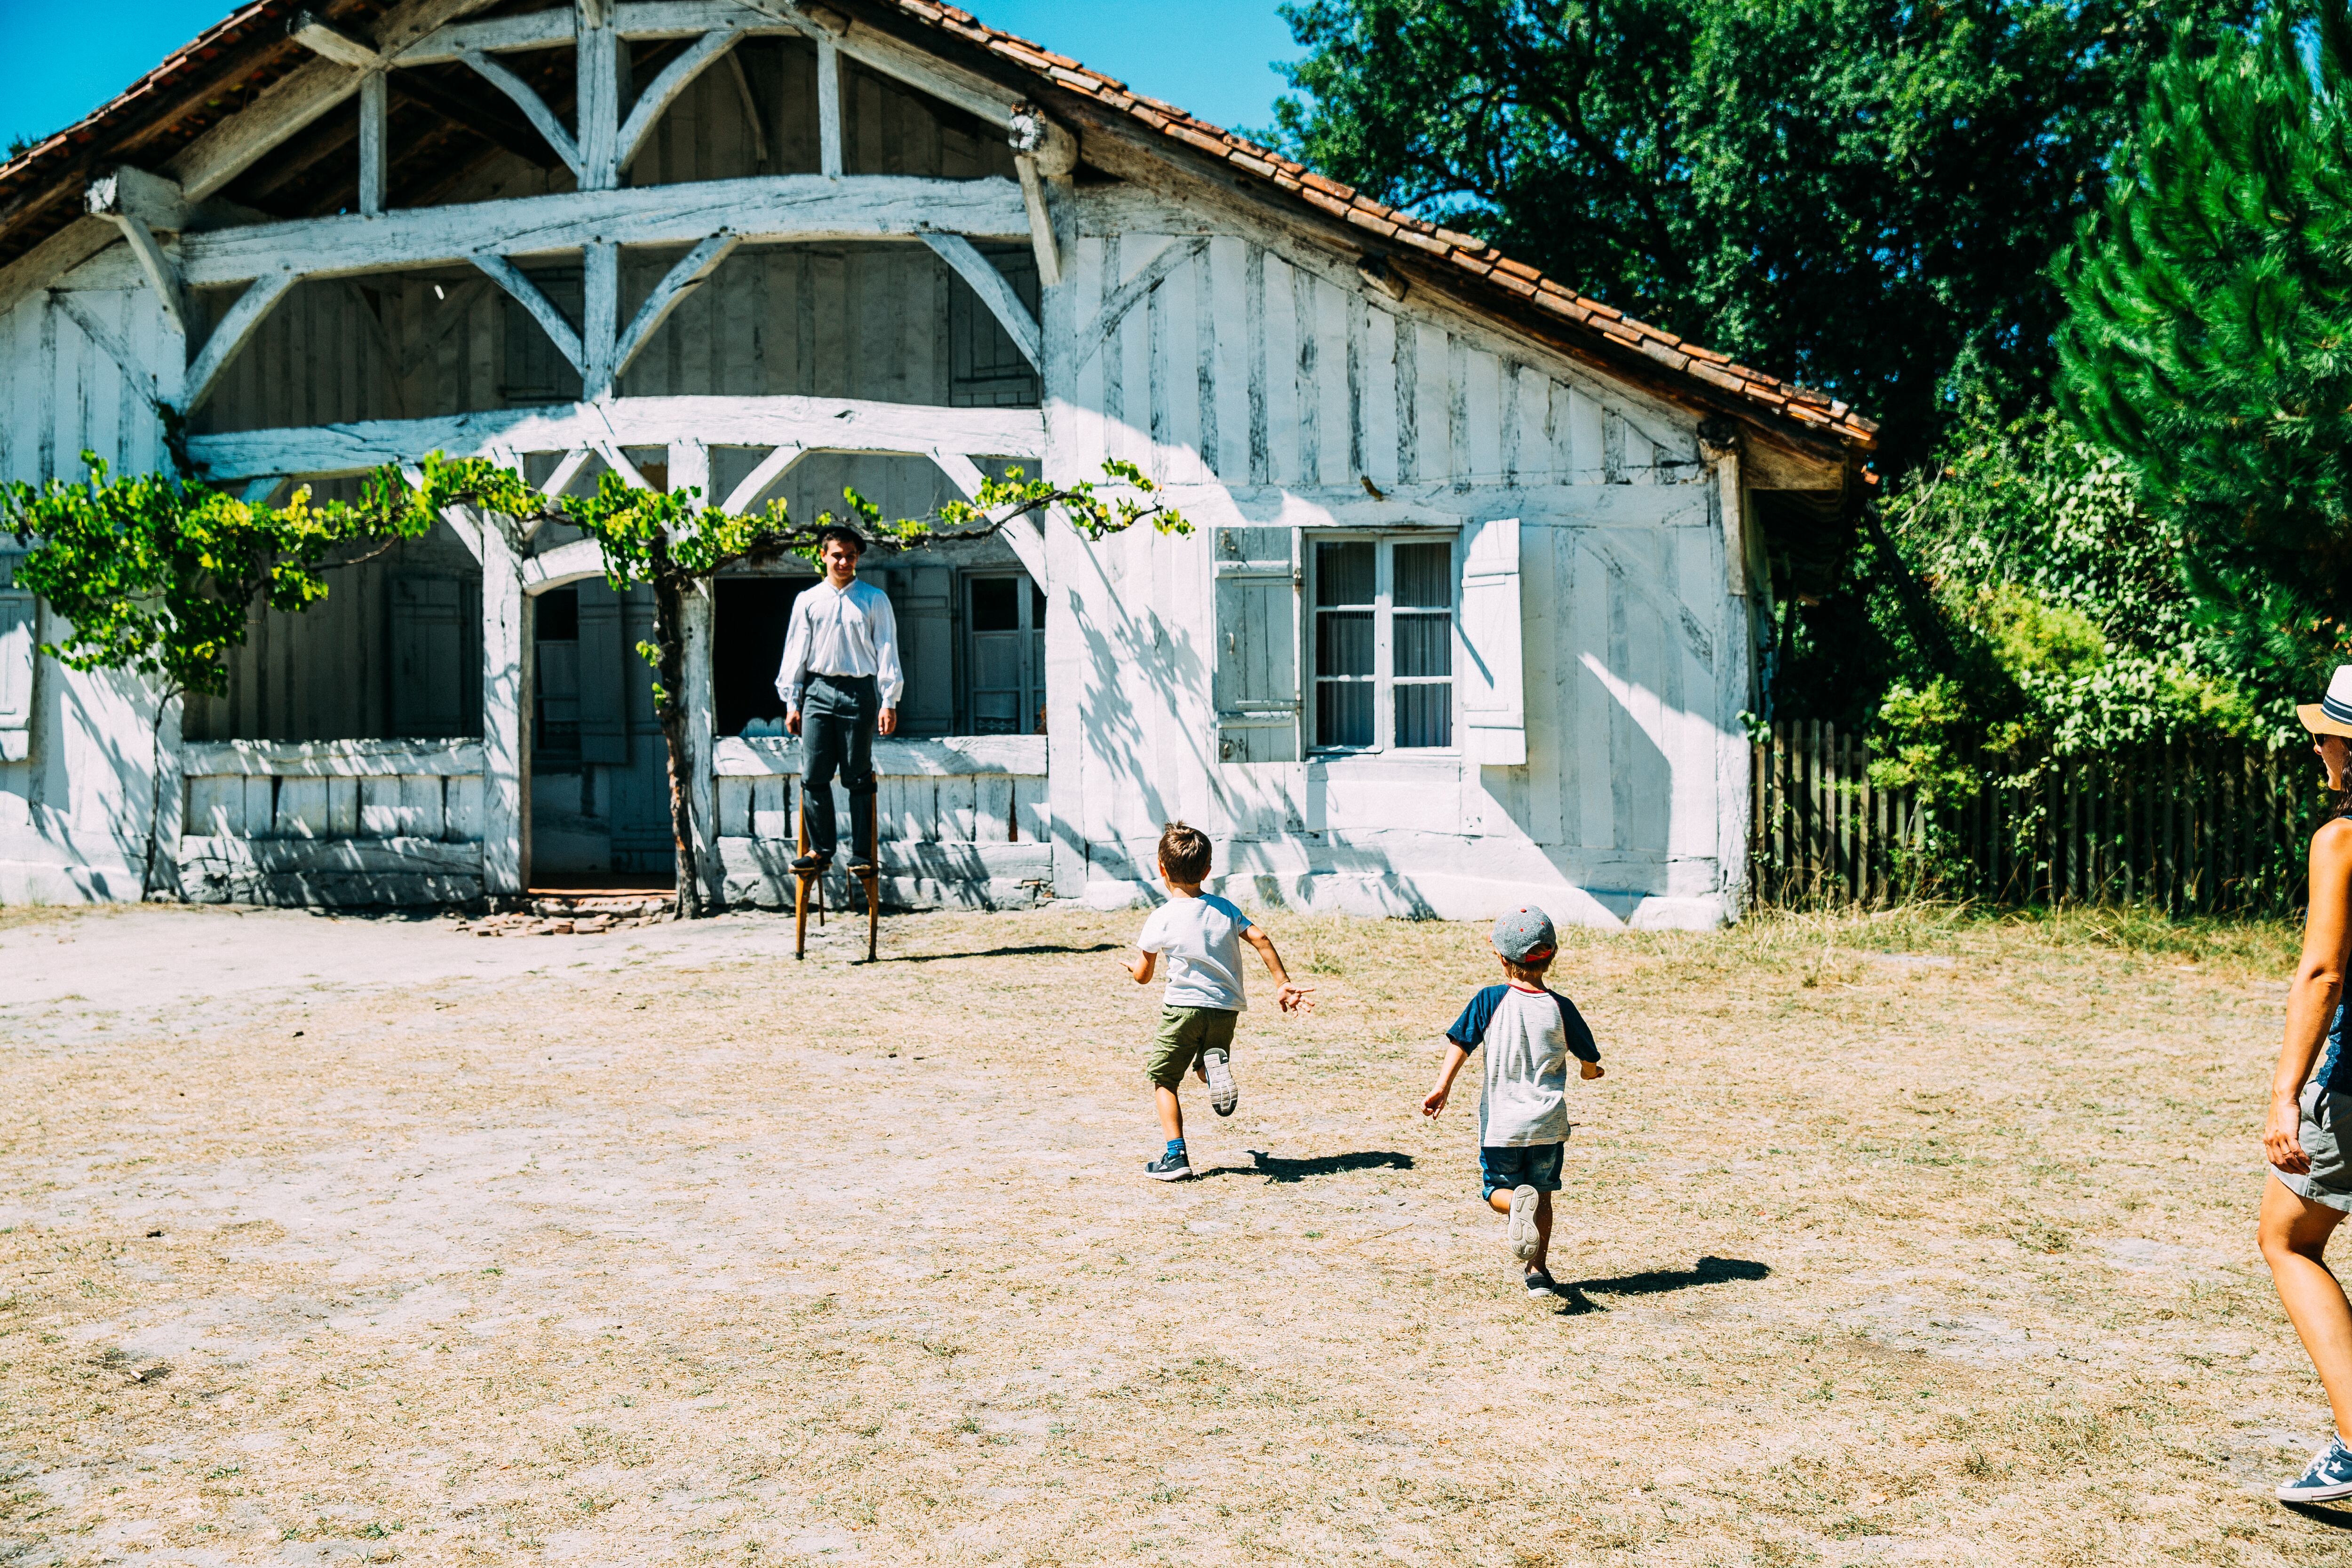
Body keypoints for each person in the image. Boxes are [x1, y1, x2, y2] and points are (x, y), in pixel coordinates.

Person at [2263, 663, 2352, 1503]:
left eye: (2327, 731)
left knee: (2287, 1236)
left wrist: (2288, 1089)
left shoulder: (2344, 837)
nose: (2318, 742)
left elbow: (2323, 972)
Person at [1421, 905, 1604, 1299]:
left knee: (1496, 1190)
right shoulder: (1562, 1007)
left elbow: (1461, 1044)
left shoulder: (1489, 1000)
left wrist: (1443, 1087)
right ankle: (1538, 1271)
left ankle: (1510, 1207)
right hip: (1547, 1124)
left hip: (1502, 1126)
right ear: (1551, 956)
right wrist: (1590, 1072)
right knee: (1542, 1195)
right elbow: (1589, 1059)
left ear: (1502, 959)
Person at [1121, 822, 1312, 1180]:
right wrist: (1283, 983)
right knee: (1206, 1059)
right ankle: (1212, 1073)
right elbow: (1261, 937)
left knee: (1164, 1080)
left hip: (1183, 1009)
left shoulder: (1160, 917)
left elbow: (1144, 975)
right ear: (1208, 870)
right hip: (1225, 1009)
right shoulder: (1224, 909)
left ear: (1161, 868)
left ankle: (1175, 1157)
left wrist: (1134, 968)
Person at [775, 525, 902, 876]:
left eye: (851, 555)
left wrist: (888, 700)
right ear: (824, 555)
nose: (844, 561)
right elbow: (795, 652)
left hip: (858, 692)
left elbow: (887, 648)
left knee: (857, 775)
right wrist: (792, 702)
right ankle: (821, 850)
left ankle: (861, 854)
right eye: (837, 555)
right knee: (814, 774)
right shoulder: (808, 600)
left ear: (858, 558)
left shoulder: (874, 599)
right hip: (816, 691)